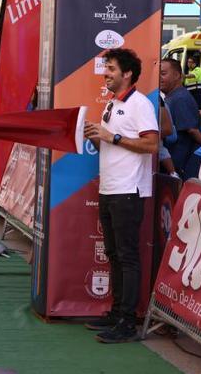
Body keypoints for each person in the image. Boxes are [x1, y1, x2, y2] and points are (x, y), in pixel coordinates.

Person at [83, 48, 158, 344]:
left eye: (111, 69)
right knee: (114, 254)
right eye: (106, 68)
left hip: (129, 190)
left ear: (127, 73)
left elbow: (151, 145)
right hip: (109, 187)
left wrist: (111, 137)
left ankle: (129, 322)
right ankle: (117, 313)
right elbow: (111, 144)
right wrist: (98, 138)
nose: (106, 73)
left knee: (127, 256)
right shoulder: (112, 104)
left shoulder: (140, 104)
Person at [160, 58, 201, 180]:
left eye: (163, 74)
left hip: (183, 166)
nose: (159, 78)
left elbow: (192, 130)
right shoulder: (171, 97)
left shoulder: (180, 98)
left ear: (177, 75)